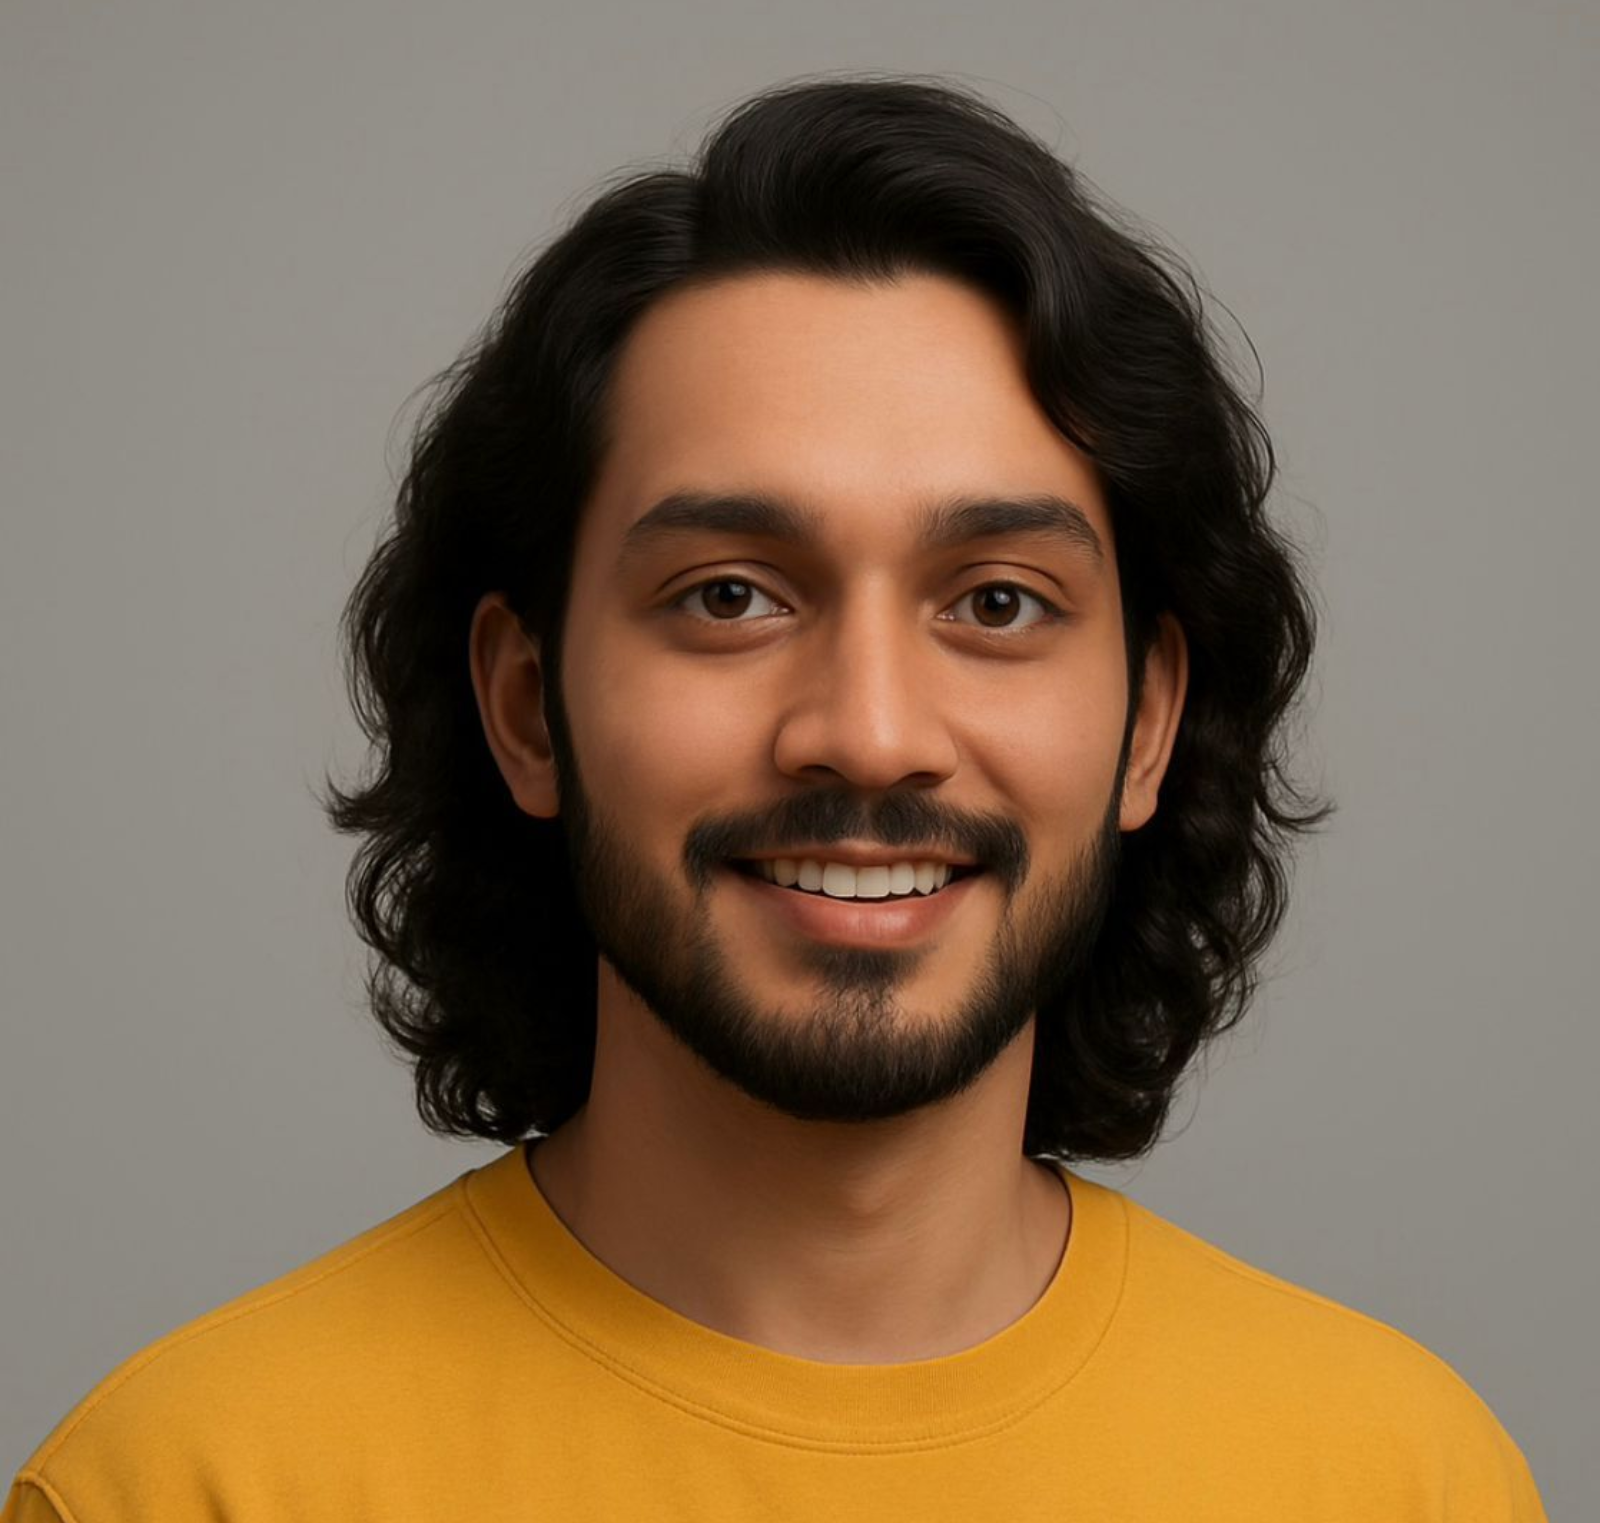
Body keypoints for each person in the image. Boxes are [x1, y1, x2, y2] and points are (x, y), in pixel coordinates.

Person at [3, 75, 1546, 1521]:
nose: (869, 737)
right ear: (529, 707)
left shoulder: (1399, 1477)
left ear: (1148, 723)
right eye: (732, 596)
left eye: (998, 603)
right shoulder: (185, 1485)